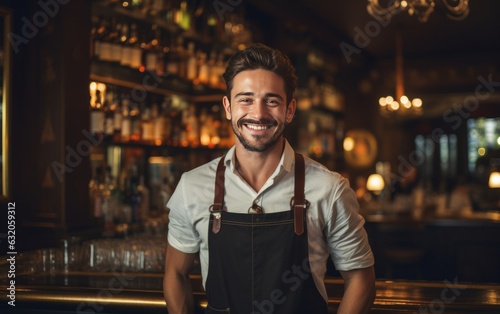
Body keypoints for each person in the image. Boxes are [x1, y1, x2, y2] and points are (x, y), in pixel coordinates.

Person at [163, 43, 375, 314]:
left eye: (272, 101)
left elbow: (361, 279)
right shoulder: (192, 186)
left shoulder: (329, 188)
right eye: (246, 99)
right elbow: (175, 274)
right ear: (228, 107)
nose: (259, 114)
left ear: (289, 109)